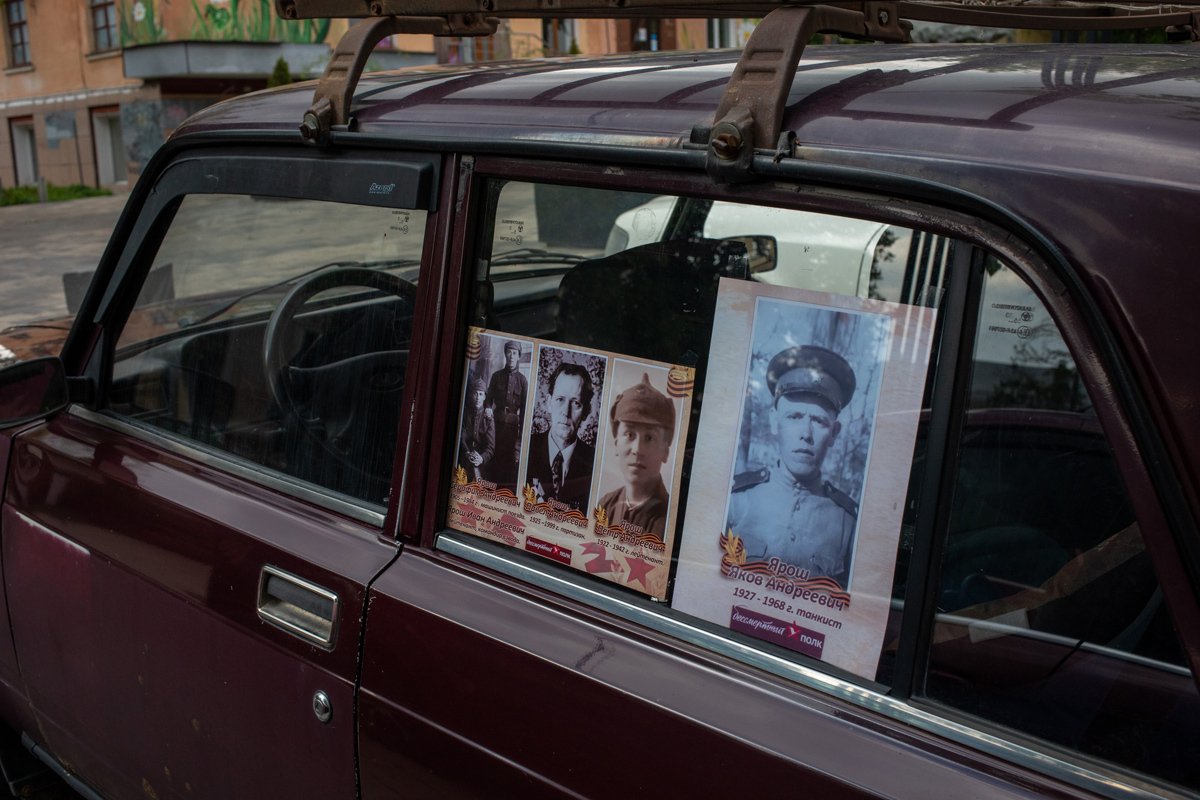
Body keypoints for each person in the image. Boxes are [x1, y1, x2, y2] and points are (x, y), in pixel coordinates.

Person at [726, 345, 858, 586]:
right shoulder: (736, 499)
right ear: (775, 423)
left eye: (819, 421)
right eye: (794, 417)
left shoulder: (848, 524)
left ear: (834, 433)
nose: (805, 434)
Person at [598, 373, 675, 539]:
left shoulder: (671, 520)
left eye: (649, 438)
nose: (637, 450)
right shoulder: (605, 506)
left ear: (666, 451)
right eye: (630, 434)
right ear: (616, 443)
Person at [526, 361, 596, 512]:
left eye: (575, 403)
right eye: (560, 400)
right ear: (549, 402)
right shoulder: (526, 449)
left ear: (586, 411)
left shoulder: (595, 463)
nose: (566, 411)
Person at [484, 340, 527, 492]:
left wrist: (520, 436)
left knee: (508, 461)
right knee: (492, 455)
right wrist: (488, 407)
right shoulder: (496, 376)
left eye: (514, 353)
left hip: (512, 427)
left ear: (518, 356)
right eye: (509, 352)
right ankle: (489, 491)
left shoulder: (522, 380)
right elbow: (488, 399)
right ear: (505, 354)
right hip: (495, 423)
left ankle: (502, 493)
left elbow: (525, 410)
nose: (511, 356)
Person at [458, 377, 495, 483]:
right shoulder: (465, 413)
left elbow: (490, 447)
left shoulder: (488, 417)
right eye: (475, 393)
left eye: (481, 394)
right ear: (471, 395)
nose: (478, 397)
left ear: (485, 397)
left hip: (482, 463)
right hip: (464, 458)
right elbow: (461, 437)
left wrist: (481, 458)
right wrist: (467, 453)